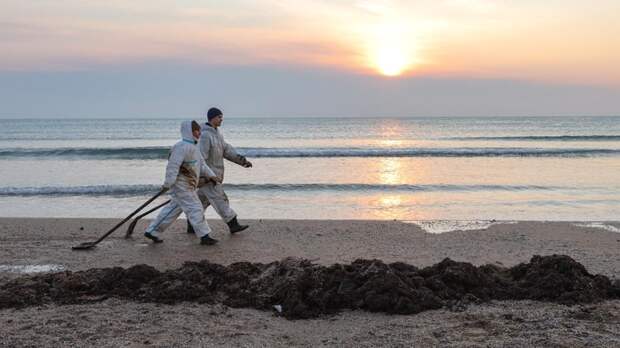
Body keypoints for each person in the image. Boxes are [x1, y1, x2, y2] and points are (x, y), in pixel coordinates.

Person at [144, 120, 220, 245]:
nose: (199, 133)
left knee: (172, 209)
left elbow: (202, 165)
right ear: (189, 132)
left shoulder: (194, 147)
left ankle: (152, 231)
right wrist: (168, 183)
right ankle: (204, 235)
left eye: (199, 130)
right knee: (196, 208)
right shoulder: (181, 147)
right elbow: (173, 166)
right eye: (197, 130)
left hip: (188, 186)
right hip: (181, 186)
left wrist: (212, 176)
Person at [186, 107, 252, 235]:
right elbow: (201, 158)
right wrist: (205, 176)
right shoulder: (205, 136)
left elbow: (227, 150)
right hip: (210, 178)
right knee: (221, 200)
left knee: (201, 202)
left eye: (221, 117)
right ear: (212, 118)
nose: (222, 119)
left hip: (215, 176)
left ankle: (191, 224)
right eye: (219, 117)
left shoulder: (217, 134)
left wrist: (242, 161)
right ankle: (233, 224)